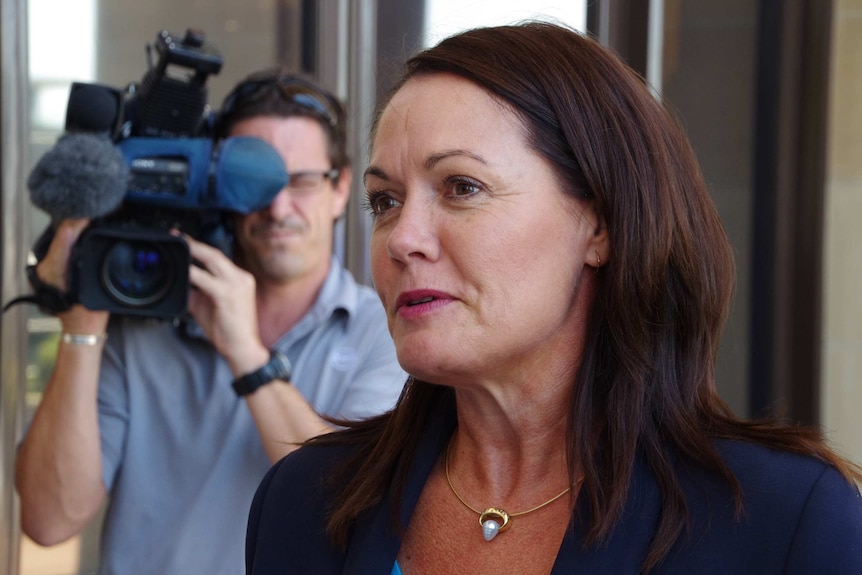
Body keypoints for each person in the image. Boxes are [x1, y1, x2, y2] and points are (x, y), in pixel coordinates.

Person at [243, 21, 862, 575]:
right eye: (385, 201)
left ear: (599, 224)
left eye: (461, 187)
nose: (402, 239)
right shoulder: (302, 501)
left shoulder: (785, 522)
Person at [14, 69, 406, 575]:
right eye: (251, 181)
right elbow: (49, 521)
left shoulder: (385, 333)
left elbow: (349, 510)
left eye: (302, 182)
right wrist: (81, 326)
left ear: (341, 188)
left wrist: (246, 354)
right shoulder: (148, 320)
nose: (276, 206)